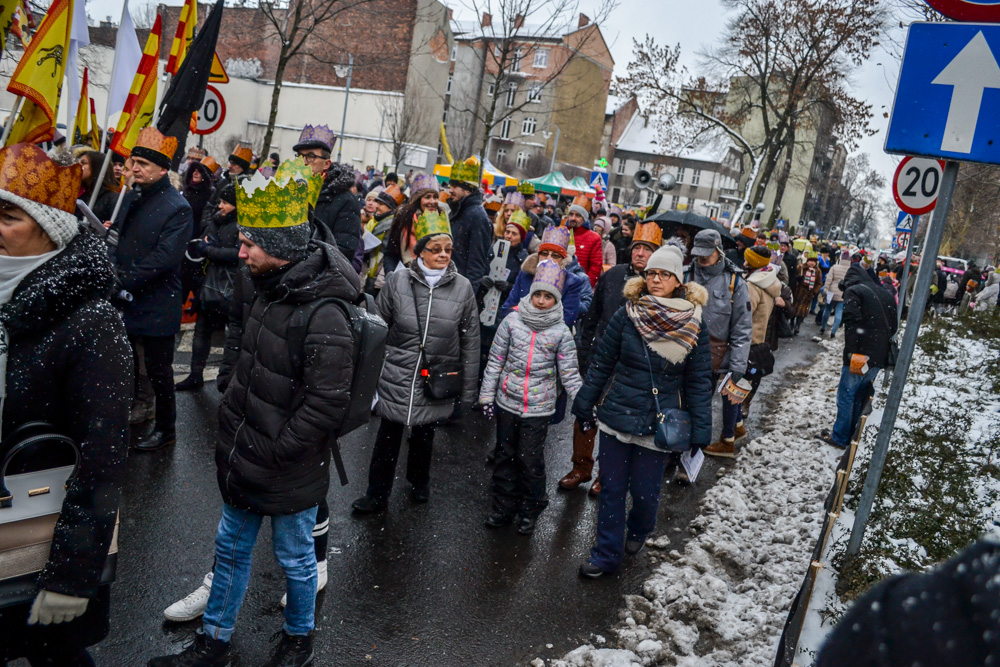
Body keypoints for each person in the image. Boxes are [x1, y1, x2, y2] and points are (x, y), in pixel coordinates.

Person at [150, 163, 358, 667]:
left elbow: (327, 403)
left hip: (287, 465)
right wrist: (230, 402)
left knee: (296, 561)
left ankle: (297, 639)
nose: (240, 252)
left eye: (250, 244)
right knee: (230, 551)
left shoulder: (324, 312)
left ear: (282, 246)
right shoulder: (268, 284)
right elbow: (246, 351)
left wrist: (277, 450)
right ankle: (214, 642)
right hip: (246, 452)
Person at [0, 144, 132, 667]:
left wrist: (73, 578)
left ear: (49, 230)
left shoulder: (92, 322)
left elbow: (102, 459)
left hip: (41, 544)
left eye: (8, 216)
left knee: (56, 656)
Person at [573, 245, 712, 578]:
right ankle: (605, 554)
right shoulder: (627, 313)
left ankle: (638, 530)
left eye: (664, 274)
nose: (656, 279)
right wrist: (584, 402)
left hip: (658, 424)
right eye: (651, 273)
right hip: (617, 416)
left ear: (679, 280)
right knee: (611, 490)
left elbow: (698, 381)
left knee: (646, 495)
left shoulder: (694, 324)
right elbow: (602, 362)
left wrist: (701, 431)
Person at [351, 211, 480, 513]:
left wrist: (469, 392)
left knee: (425, 432)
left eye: (448, 249)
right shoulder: (397, 281)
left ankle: (419, 480)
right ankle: (376, 493)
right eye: (435, 249)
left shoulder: (463, 288)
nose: (443, 255)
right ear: (420, 250)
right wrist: (368, 380)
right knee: (388, 435)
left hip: (435, 375)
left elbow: (470, 341)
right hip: (397, 370)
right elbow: (377, 329)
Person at [479, 261, 583, 535]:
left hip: (539, 407)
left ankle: (532, 505)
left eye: (548, 296)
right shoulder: (512, 322)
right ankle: (503, 506)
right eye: (537, 294)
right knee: (505, 456)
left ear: (555, 299)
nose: (541, 300)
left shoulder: (561, 332)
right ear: (530, 294)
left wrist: (583, 405)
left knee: (529, 460)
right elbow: (495, 361)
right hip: (507, 401)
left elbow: (570, 373)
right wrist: (487, 396)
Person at [564, 222, 663, 494]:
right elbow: (592, 318)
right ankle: (580, 468)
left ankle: (604, 476)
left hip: (629, 367)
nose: (640, 254)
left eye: (647, 249)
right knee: (585, 413)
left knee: (613, 423)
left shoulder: (658, 286)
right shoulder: (613, 275)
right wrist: (584, 354)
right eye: (637, 248)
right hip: (599, 358)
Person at [110, 128, 193, 452]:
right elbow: (121, 239)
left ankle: (166, 428)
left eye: (143, 163)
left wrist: (124, 278)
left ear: (162, 170)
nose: (135, 168)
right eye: (134, 162)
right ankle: (136, 410)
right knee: (128, 364)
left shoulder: (178, 206)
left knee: (160, 371)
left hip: (158, 302)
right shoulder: (131, 196)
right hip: (128, 298)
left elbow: (165, 257)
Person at [705, 245, 779, 458]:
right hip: (757, 342)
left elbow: (743, 316)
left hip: (745, 346)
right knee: (736, 389)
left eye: (747, 260)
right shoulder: (768, 281)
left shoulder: (751, 286)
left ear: (752, 263)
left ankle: (727, 441)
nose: (743, 263)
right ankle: (737, 426)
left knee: (730, 392)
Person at [820, 260, 897, 449]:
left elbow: (852, 324)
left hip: (861, 354)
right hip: (880, 355)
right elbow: (894, 325)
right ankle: (850, 435)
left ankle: (839, 437)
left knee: (846, 394)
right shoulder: (884, 293)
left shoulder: (854, 291)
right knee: (859, 395)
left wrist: (851, 354)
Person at [175, 184, 240, 391]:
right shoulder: (216, 220)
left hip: (230, 288)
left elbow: (239, 255)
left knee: (233, 338)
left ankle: (229, 382)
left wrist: (211, 250)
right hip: (208, 284)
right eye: (220, 201)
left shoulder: (243, 225)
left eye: (225, 202)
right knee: (201, 332)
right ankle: (195, 375)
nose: (220, 206)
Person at [294, 125, 362, 270]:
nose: (303, 162)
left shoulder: (346, 201)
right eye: (299, 156)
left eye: (311, 156)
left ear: (326, 164)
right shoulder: (290, 191)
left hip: (319, 277)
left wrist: (302, 259)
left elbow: (344, 249)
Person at [500, 225, 593, 328]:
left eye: (555, 256)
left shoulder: (571, 282)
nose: (548, 258)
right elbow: (508, 307)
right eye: (544, 253)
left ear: (563, 259)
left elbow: (566, 320)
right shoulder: (525, 275)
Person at [447, 158, 492, 291]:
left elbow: (476, 264)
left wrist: (467, 297)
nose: (450, 190)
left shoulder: (477, 216)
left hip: (458, 289)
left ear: (467, 190)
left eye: (455, 186)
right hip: (448, 282)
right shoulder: (456, 211)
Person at [385, 173, 440, 273]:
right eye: (427, 197)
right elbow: (391, 254)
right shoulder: (403, 218)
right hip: (405, 275)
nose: (432, 201)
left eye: (435, 197)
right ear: (418, 199)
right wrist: (390, 274)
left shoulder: (442, 220)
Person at [564, 196, 603, 287]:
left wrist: (585, 286)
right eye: (571, 214)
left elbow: (595, 266)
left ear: (584, 218)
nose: (573, 218)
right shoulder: (561, 231)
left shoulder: (594, 238)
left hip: (579, 285)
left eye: (578, 215)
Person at [77, 150, 120, 223]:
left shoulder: (111, 198)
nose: (78, 166)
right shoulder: (76, 192)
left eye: (83, 163)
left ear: (97, 167)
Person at [819, 249, 852, 338]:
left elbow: (829, 279)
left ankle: (823, 327)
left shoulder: (834, 267)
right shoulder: (851, 270)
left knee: (827, 309)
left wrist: (826, 289)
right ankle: (833, 331)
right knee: (839, 312)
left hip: (831, 292)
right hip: (843, 293)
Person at [792, 253, 823, 334]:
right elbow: (793, 276)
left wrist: (815, 291)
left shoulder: (818, 271)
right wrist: (797, 279)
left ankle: (797, 325)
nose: (812, 263)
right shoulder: (801, 267)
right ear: (807, 261)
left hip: (809, 293)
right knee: (794, 308)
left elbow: (819, 282)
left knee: (803, 311)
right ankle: (792, 322)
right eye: (810, 261)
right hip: (798, 291)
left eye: (814, 261)